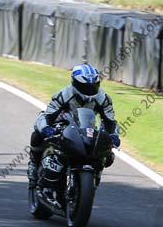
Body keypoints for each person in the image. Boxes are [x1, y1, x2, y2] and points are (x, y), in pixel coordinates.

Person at [27, 64, 120, 198]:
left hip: (86, 129)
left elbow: (111, 121)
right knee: (38, 134)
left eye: (93, 86)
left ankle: (94, 176)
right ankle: (34, 165)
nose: (90, 89)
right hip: (63, 125)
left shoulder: (103, 99)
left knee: (108, 155)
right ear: (75, 83)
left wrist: (113, 136)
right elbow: (48, 115)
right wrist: (47, 129)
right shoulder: (64, 94)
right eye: (85, 86)